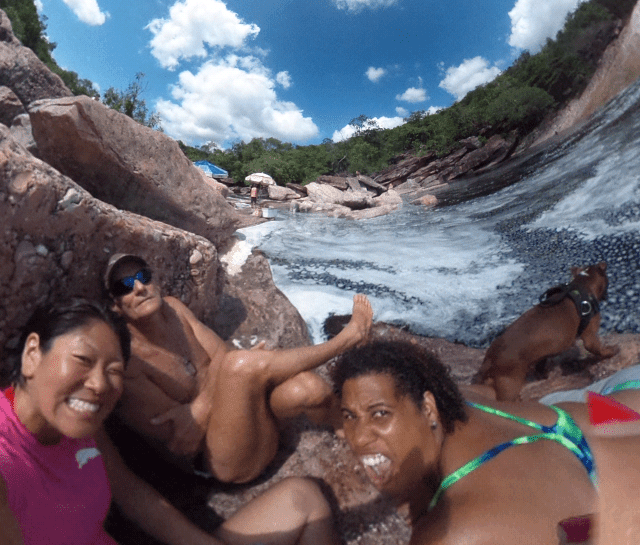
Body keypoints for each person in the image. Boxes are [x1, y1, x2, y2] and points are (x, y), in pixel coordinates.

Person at [0, 297, 338, 545]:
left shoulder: (78, 426)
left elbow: (134, 497)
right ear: (32, 354)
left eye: (114, 370)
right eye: (82, 359)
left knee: (303, 499)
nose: (100, 384)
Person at [330, 337, 640, 545]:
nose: (359, 437)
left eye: (380, 414)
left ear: (428, 408)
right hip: (614, 403)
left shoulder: (451, 532)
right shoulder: (459, 399)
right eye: (349, 417)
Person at [104, 253, 374, 484]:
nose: (139, 287)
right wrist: (234, 374)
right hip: (222, 461)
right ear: (115, 306)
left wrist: (205, 402)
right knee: (239, 366)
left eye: (143, 276)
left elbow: (223, 355)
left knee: (309, 389)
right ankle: (346, 340)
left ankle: (349, 429)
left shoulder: (174, 309)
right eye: (124, 286)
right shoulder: (131, 364)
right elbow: (185, 438)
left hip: (256, 429)